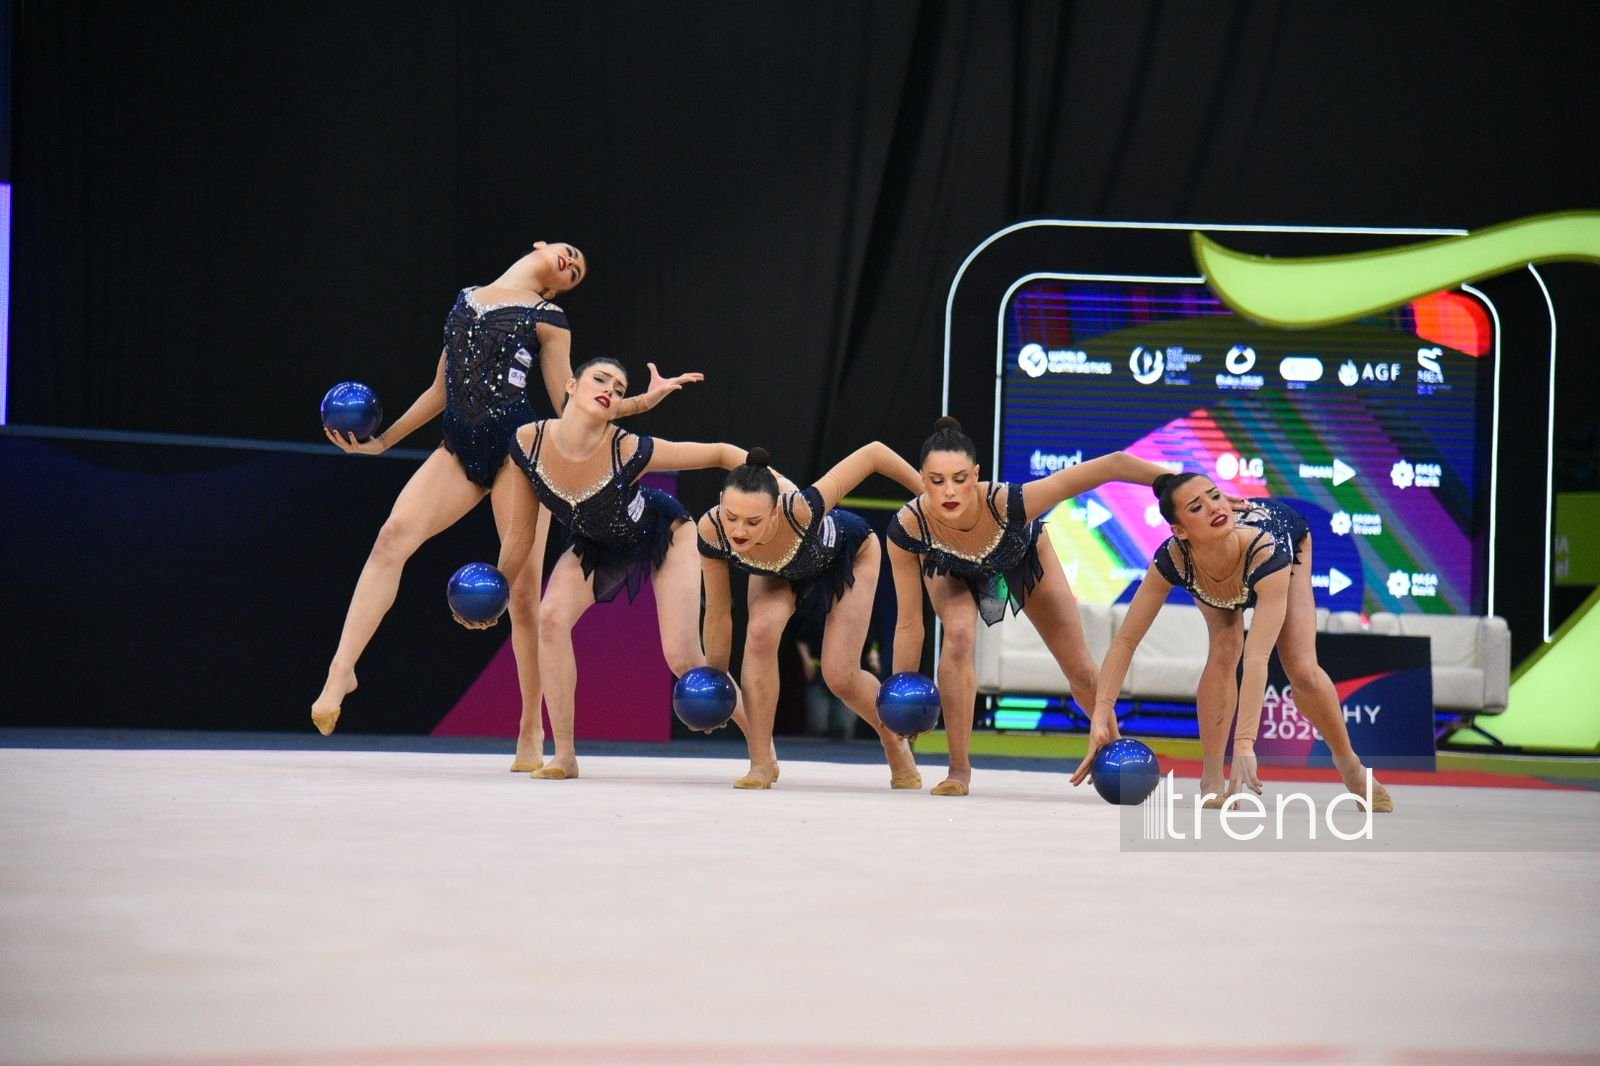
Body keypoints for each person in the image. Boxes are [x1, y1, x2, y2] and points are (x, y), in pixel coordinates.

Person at [311, 241, 699, 774]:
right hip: (458, 447)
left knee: (522, 596)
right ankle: (341, 671)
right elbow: (439, 388)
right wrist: (384, 441)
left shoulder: (549, 317)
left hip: (516, 455)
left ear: (560, 289)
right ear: (542, 248)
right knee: (390, 538)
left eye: (578, 273)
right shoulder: (466, 299)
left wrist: (641, 402)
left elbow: (574, 404)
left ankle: (529, 727)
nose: (572, 265)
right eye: (571, 255)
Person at [498, 357, 769, 781]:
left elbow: (718, 453)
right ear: (571, 385)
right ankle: (564, 754)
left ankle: (762, 748)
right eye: (600, 379)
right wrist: (498, 587)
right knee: (549, 618)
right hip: (596, 546)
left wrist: (778, 485)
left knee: (684, 658)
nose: (610, 389)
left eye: (620, 388)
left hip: (664, 535)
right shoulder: (527, 443)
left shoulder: (626, 447)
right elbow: (520, 536)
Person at [1069, 474, 1394, 812]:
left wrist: (1245, 744)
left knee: (1301, 668)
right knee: (1224, 647)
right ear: (1179, 531)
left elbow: (1257, 658)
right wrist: (1100, 718)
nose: (1213, 508)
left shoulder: (1268, 550)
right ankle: (1211, 780)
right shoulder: (1174, 558)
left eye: (1215, 496)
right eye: (1197, 507)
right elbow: (1125, 641)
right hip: (1210, 567)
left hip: (1285, 543)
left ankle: (1352, 768)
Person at [886, 416, 1170, 796]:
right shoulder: (908, 527)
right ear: (922, 479)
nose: (949, 491)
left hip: (1021, 556)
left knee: (1081, 668)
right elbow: (908, 624)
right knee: (956, 636)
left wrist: (1175, 483)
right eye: (936, 481)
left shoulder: (1010, 501)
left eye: (959, 478)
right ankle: (959, 770)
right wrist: (901, 699)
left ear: (976, 474)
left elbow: (1113, 464)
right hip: (951, 567)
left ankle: (1114, 750)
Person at [698, 445, 925, 789]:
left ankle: (896, 746)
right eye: (732, 517)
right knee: (759, 631)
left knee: (839, 675)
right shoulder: (712, 530)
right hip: (777, 572)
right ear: (720, 503)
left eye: (753, 521)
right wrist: (713, 691)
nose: (739, 530)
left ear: (774, 512)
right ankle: (761, 762)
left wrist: (927, 492)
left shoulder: (800, 509)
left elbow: (874, 455)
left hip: (848, 555)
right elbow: (718, 613)